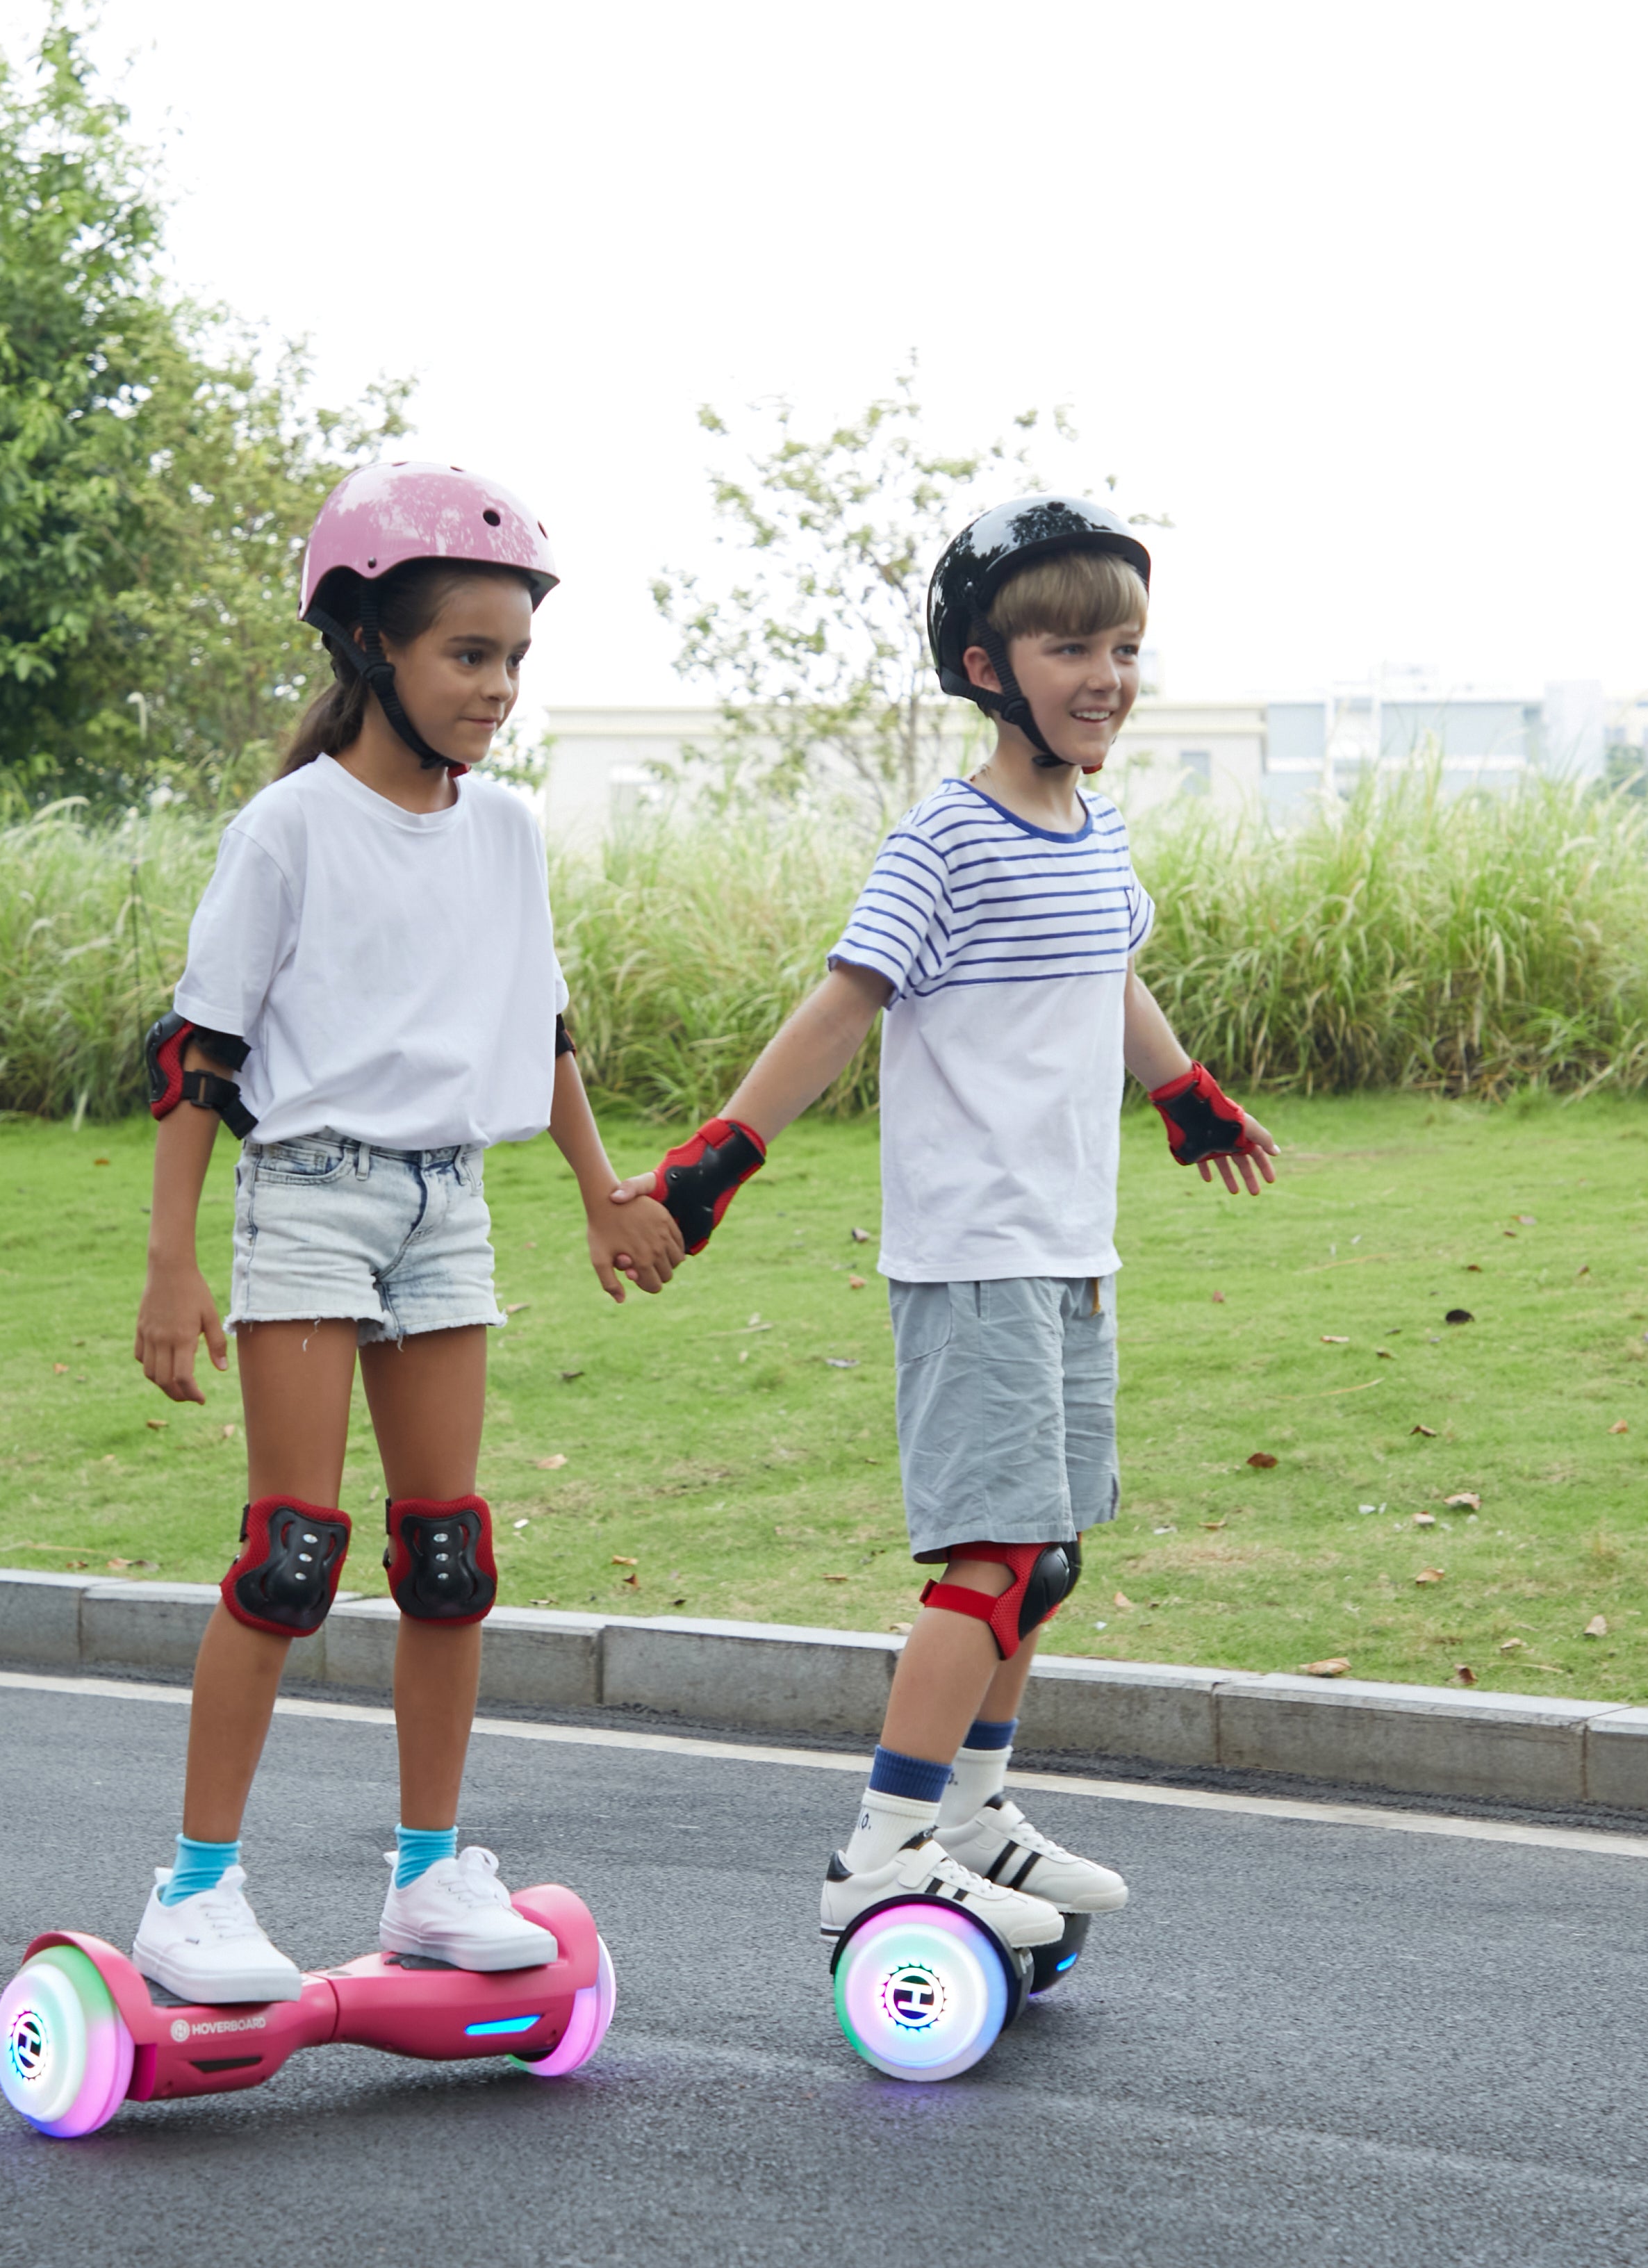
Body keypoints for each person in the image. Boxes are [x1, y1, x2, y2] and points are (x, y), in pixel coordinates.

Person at [620, 495, 1277, 1965]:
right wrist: (716, 1159)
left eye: (1122, 645)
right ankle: (886, 1847)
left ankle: (976, 1814)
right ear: (988, 668)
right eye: (1068, 646)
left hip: (1069, 1251)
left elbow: (1109, 973)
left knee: (1044, 1558)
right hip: (973, 1251)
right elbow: (844, 1002)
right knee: (987, 1561)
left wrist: (1185, 1095)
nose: (1104, 674)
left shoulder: (1092, 828)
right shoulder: (946, 840)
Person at [129, 461, 684, 2003]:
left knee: (449, 1557)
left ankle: (431, 1872)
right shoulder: (291, 829)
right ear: (371, 646)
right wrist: (174, 1266)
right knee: (292, 1554)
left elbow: (543, 1024)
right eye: (469, 656)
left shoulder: (503, 836)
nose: (499, 690)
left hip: (450, 1201)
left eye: (514, 661)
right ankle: (193, 1891)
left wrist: (603, 1188)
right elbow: (198, 1053)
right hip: (309, 1191)